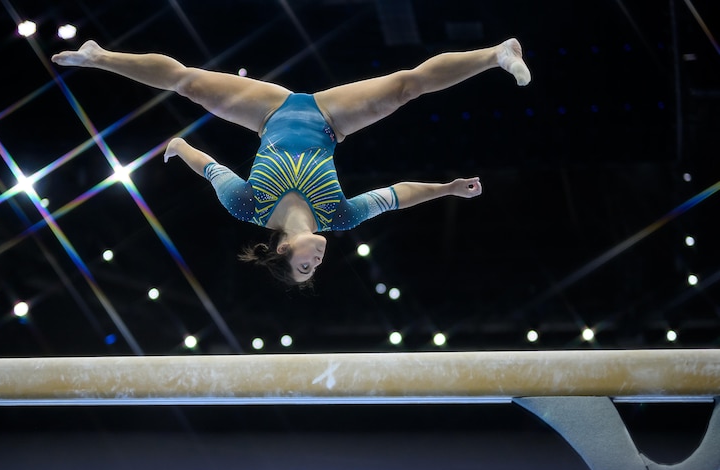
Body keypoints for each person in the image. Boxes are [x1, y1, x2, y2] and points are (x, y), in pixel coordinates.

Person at [52, 38, 531, 286]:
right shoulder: (338, 216)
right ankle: (495, 54)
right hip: (329, 120)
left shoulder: (248, 207)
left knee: (188, 83)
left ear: (283, 252)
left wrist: (181, 148)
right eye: (315, 269)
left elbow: (210, 168)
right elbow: (398, 195)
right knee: (408, 85)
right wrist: (446, 189)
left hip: (268, 113)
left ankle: (100, 57)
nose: (317, 261)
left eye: (306, 268)